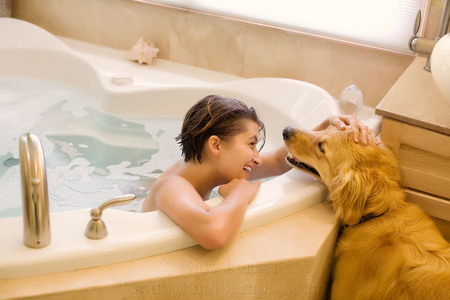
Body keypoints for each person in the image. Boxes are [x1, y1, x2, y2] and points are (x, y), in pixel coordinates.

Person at [141, 95, 378, 249]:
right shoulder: (174, 186)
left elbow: (278, 160)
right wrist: (240, 193)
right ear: (216, 146)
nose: (256, 156)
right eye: (251, 144)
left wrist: (328, 124)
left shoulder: (209, 165)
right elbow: (214, 233)